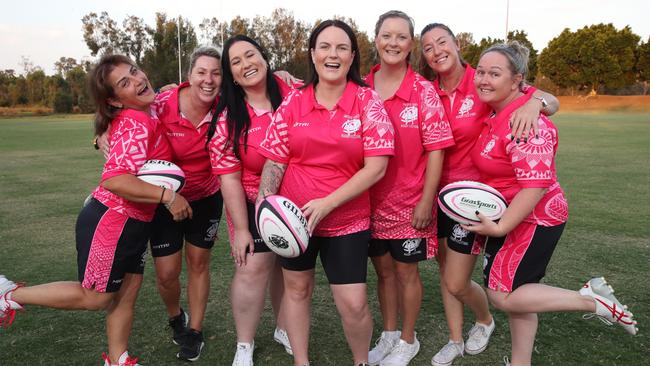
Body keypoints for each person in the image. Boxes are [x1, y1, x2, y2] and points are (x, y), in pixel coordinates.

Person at [0, 54, 192, 366]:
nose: (138, 80)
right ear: (116, 100)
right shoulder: (137, 121)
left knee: (127, 293)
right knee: (97, 297)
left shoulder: (147, 110)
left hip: (134, 222)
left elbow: (169, 90)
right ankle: (8, 295)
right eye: (125, 83)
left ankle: (118, 360)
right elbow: (114, 179)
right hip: (112, 219)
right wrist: (168, 197)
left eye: (135, 71)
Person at [464, 41, 637, 366]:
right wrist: (539, 100)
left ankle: (591, 301)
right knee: (523, 293)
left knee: (502, 296)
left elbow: (535, 187)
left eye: (495, 73)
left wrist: (500, 226)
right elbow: (545, 101)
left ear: (517, 81)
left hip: (531, 220)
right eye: (481, 72)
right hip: (510, 215)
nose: (484, 79)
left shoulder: (527, 123)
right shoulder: (502, 108)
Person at [419, 23, 561, 366]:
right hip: (440, 193)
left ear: (456, 44)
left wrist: (536, 103)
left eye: (443, 42)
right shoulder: (425, 89)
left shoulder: (483, 79)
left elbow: (549, 101)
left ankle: (484, 320)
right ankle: (455, 339)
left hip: (478, 200)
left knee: (460, 280)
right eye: (427, 47)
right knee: (449, 276)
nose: (437, 50)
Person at [256, 19, 395, 366]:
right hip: (293, 220)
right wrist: (264, 203)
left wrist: (328, 203)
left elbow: (376, 167)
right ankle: (301, 361)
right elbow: (275, 160)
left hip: (346, 221)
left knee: (353, 303)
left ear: (352, 58)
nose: (333, 54)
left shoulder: (367, 101)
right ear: (313, 54)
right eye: (325, 47)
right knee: (297, 291)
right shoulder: (292, 103)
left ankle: (361, 360)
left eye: (342, 47)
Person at [364, 11, 453, 366]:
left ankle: (407, 340)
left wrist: (426, 200)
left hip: (409, 202)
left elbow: (436, 149)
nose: (393, 43)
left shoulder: (424, 91)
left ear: (411, 45)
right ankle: (387, 335)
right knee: (383, 271)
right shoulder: (360, 86)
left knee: (405, 272)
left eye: (402, 37)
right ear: (376, 40)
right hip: (367, 202)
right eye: (387, 36)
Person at [207, 35, 296, 366]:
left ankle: (285, 327)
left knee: (289, 269)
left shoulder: (294, 92)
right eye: (236, 62)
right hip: (249, 199)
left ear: (265, 57)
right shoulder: (229, 117)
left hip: (296, 198)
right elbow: (228, 177)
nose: (246, 65)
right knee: (253, 268)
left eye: (251, 55)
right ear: (230, 74)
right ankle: (244, 344)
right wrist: (242, 229)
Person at [146, 46, 224, 362]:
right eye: (202, 72)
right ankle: (176, 316)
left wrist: (282, 73)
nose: (209, 80)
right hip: (164, 199)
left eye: (216, 73)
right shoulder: (160, 104)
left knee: (198, 263)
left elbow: (265, 88)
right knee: (166, 273)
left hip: (206, 195)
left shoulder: (226, 107)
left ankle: (195, 332)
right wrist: (100, 134)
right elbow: (115, 109)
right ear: (188, 76)